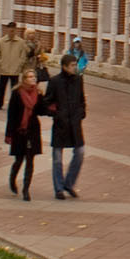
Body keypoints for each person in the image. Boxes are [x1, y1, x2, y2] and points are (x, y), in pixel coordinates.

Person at [45, 51, 87, 199]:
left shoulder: (78, 80)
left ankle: (69, 183)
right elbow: (48, 102)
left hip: (75, 123)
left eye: (76, 65)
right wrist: (56, 114)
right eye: (72, 65)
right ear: (64, 67)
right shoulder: (55, 81)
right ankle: (58, 188)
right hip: (61, 124)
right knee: (57, 157)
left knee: (80, 152)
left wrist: (81, 112)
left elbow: (81, 98)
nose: (75, 68)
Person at [4, 67, 45, 200]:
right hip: (19, 131)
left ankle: (26, 189)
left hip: (32, 130)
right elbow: (11, 115)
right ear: (24, 79)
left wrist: (54, 108)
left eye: (34, 77)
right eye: (30, 77)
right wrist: (9, 133)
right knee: (19, 159)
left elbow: (41, 110)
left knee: (30, 160)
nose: (33, 79)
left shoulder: (38, 94)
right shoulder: (17, 93)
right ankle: (12, 178)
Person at [0, 22, 29, 111]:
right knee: (2, 87)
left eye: (13, 31)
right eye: (10, 30)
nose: (11, 32)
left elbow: (23, 55)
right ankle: (0, 103)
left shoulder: (21, 42)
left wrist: (20, 64)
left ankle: (13, 105)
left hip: (15, 69)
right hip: (4, 69)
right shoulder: (0, 41)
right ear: (7, 30)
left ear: (15, 30)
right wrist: (0, 63)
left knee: (14, 89)